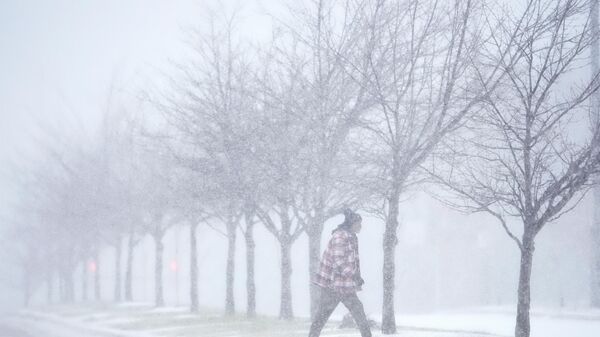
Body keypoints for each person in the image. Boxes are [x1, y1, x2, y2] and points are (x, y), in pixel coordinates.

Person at [308, 209, 372, 337]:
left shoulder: (351, 237)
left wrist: (356, 277)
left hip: (345, 285)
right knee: (322, 316)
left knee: (358, 311)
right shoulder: (340, 237)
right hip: (332, 285)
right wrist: (353, 275)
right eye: (358, 224)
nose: (360, 226)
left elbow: (352, 261)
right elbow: (339, 261)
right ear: (351, 224)